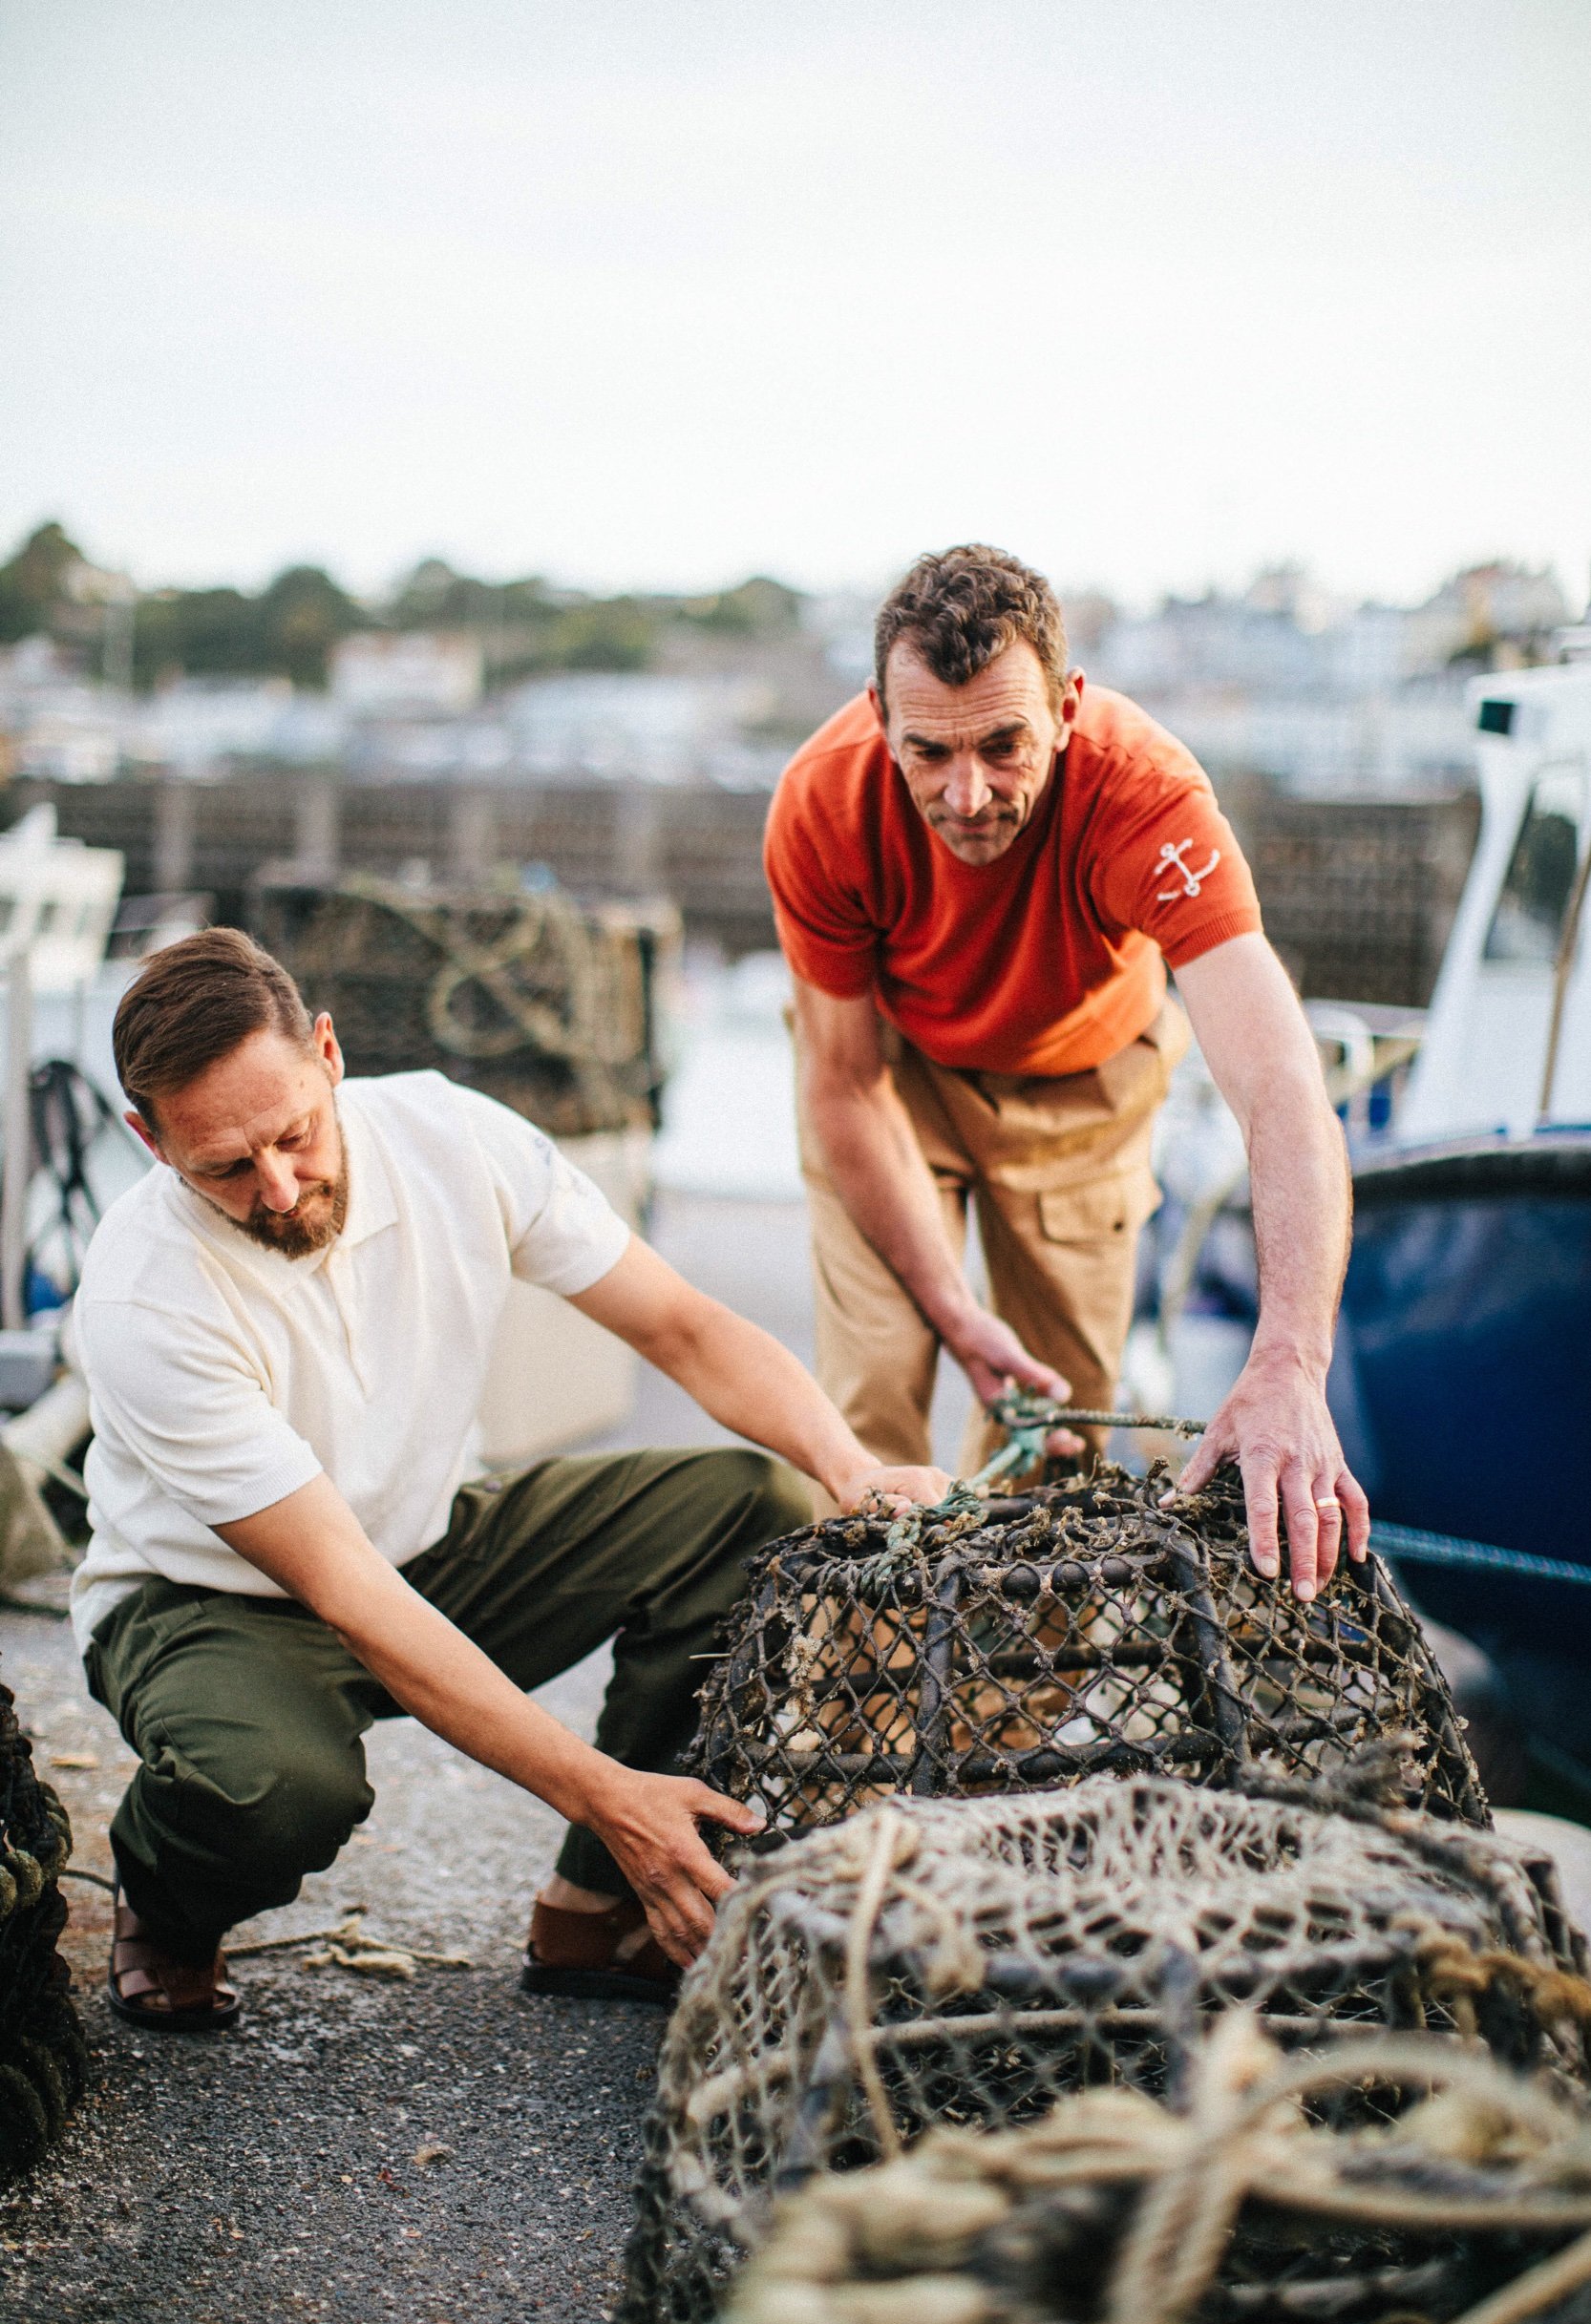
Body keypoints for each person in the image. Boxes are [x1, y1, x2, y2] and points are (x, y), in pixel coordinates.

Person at [73, 929, 948, 2030]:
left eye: (295, 1134)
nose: (282, 1187)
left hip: (430, 1538)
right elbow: (347, 1591)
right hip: (210, 1602)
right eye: (225, 1168)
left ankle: (595, 1903)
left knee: (754, 1508)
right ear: (150, 1142)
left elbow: (681, 1327)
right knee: (273, 1791)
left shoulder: (453, 1133)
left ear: (330, 1054)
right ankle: (166, 1902)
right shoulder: (141, 1300)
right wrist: (604, 1787)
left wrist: (850, 1467)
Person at [765, 543, 1370, 1601]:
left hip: (1081, 1089)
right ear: (878, 716)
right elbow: (843, 1083)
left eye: (1004, 745)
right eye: (929, 754)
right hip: (892, 1082)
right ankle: (864, 1700)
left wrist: (1290, 1363)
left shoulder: (1146, 798)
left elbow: (1279, 1085)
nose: (967, 794)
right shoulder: (821, 805)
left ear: (1067, 704)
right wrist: (956, 1312)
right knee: (870, 1399)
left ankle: (1011, 1730)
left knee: (1061, 1431)